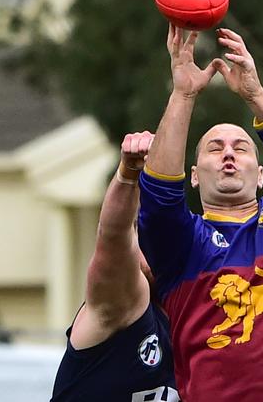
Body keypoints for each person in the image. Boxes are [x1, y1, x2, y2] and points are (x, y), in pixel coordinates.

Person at [137, 24, 263, 401]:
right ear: (195, 177)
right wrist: (183, 94)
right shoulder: (185, 247)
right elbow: (158, 201)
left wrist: (255, 94)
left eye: (241, 148)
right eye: (215, 148)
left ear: (261, 175)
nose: (229, 153)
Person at [51, 132, 180, 402]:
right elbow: (114, 236)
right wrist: (128, 174)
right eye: (141, 233)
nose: (154, 245)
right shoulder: (121, 304)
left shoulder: (196, 327)